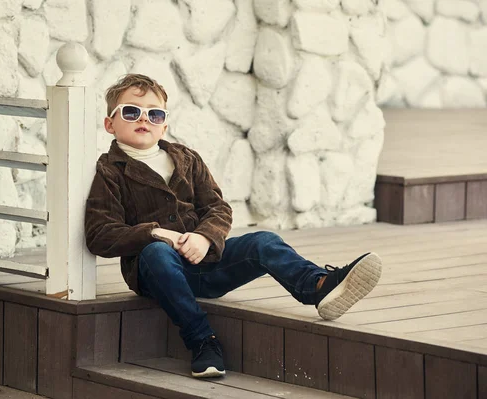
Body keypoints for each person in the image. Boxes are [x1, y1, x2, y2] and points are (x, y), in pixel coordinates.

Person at [84, 74, 382, 378]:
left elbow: (217, 207)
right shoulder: (110, 172)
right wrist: (156, 233)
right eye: (131, 112)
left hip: (207, 264)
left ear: (165, 124)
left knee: (263, 241)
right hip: (156, 274)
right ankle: (203, 341)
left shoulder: (186, 159)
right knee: (157, 253)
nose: (143, 119)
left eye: (154, 113)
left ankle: (317, 286)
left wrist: (204, 237)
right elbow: (100, 234)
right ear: (111, 124)